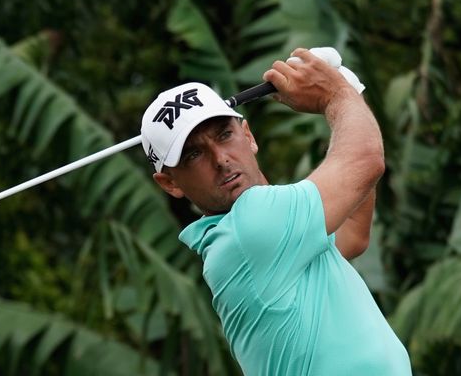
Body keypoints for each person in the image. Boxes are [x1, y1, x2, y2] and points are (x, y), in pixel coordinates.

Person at [140, 48, 412, 375]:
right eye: (194, 155)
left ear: (248, 135)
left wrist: (347, 92)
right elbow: (366, 160)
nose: (220, 158)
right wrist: (337, 94)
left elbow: (353, 234)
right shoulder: (249, 226)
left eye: (224, 135)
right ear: (170, 183)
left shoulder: (276, 237)